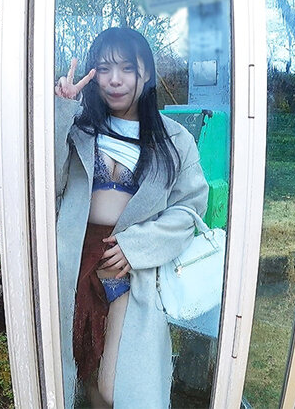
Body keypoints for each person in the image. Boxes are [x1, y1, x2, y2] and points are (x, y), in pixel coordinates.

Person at [53, 27, 209, 408]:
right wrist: (62, 113)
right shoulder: (79, 129)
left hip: (130, 271)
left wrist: (136, 247)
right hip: (75, 266)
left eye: (126, 68)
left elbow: (190, 208)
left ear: (146, 73)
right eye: (105, 69)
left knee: (116, 387)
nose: (115, 79)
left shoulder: (174, 140)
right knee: (81, 376)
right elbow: (48, 184)